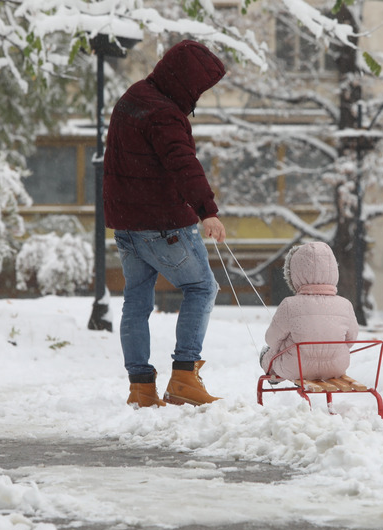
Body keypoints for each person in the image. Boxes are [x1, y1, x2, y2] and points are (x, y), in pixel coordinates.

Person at [103, 40, 228, 408]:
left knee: (136, 302)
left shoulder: (134, 97)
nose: (198, 95)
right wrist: (208, 210)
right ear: (186, 80)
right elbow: (183, 163)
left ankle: (141, 388)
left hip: (127, 225)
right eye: (199, 87)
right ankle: (185, 377)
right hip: (164, 225)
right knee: (202, 288)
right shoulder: (165, 114)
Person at [259, 242, 360, 382]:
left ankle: (274, 376)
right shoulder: (345, 304)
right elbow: (351, 339)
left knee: (271, 353)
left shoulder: (290, 304)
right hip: (336, 367)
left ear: (295, 273)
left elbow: (271, 339)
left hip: (296, 367)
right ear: (332, 269)